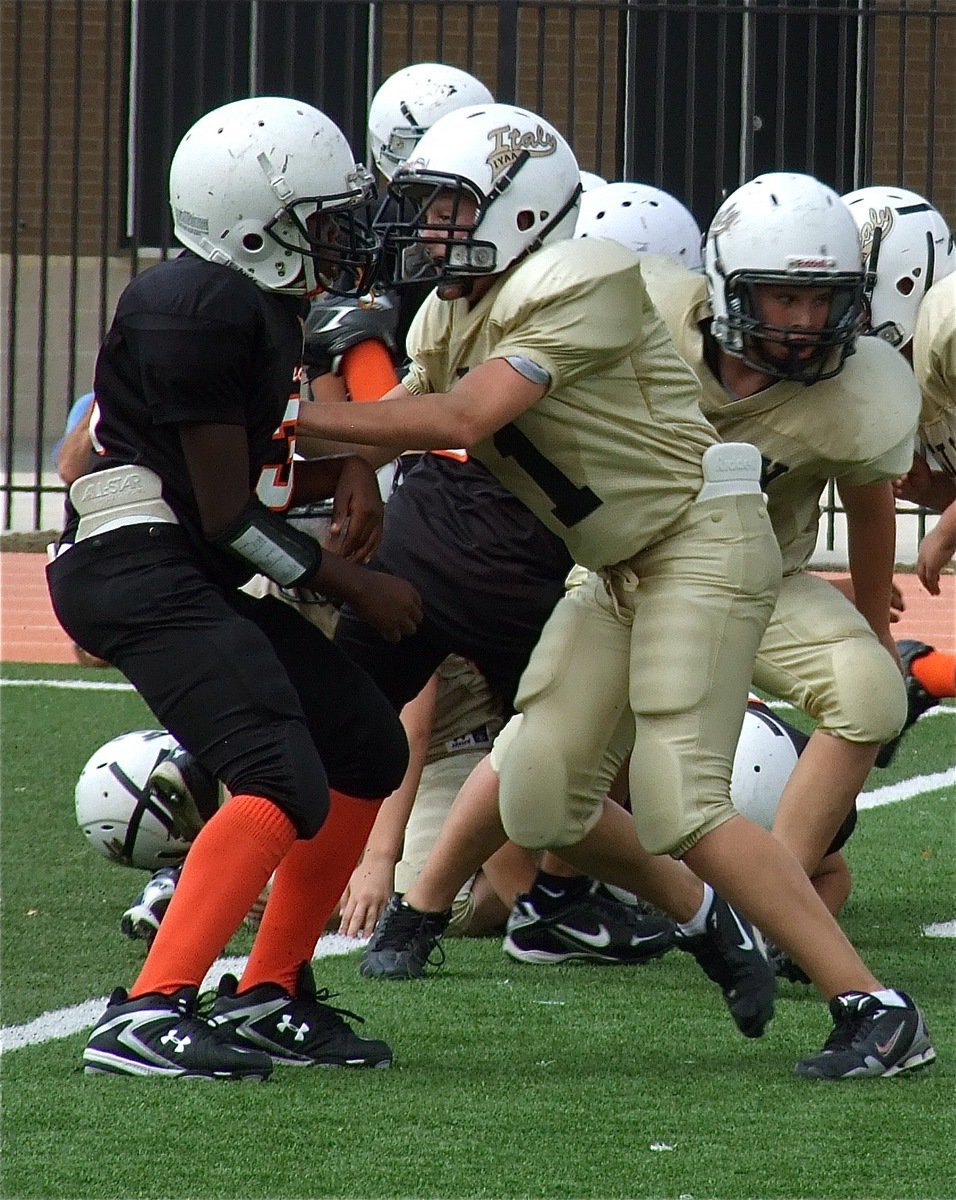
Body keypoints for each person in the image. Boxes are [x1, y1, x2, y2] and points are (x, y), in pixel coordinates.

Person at [295, 104, 935, 1078]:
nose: (427, 230)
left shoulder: (581, 280)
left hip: (700, 547)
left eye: (446, 209)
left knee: (685, 805)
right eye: (425, 209)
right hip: (614, 564)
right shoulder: (450, 308)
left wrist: (280, 416)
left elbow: (466, 412)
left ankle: (874, 1010)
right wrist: (313, 441)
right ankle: (705, 913)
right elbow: (392, 418)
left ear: (519, 212)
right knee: (544, 801)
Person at [47, 96, 425, 1081]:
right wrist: (353, 586)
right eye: (323, 215)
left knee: (363, 746)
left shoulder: (255, 305)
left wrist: (341, 471)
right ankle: (149, 1012)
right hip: (140, 565)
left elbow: (250, 474)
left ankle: (269, 993)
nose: (342, 236)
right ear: (255, 219)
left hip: (188, 564)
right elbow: (221, 512)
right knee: (274, 770)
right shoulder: (196, 302)